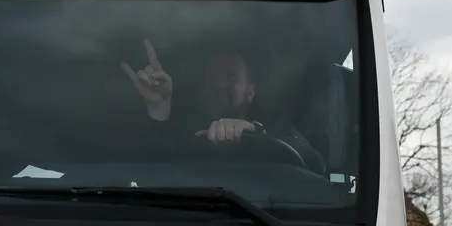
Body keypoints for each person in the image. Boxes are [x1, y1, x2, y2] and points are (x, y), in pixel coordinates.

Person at [121, 39, 326, 173]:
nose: (219, 85)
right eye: (213, 77)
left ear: (250, 91)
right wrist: (159, 107)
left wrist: (255, 132)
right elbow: (145, 172)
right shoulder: (182, 133)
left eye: (231, 77)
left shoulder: (273, 129)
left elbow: (316, 164)